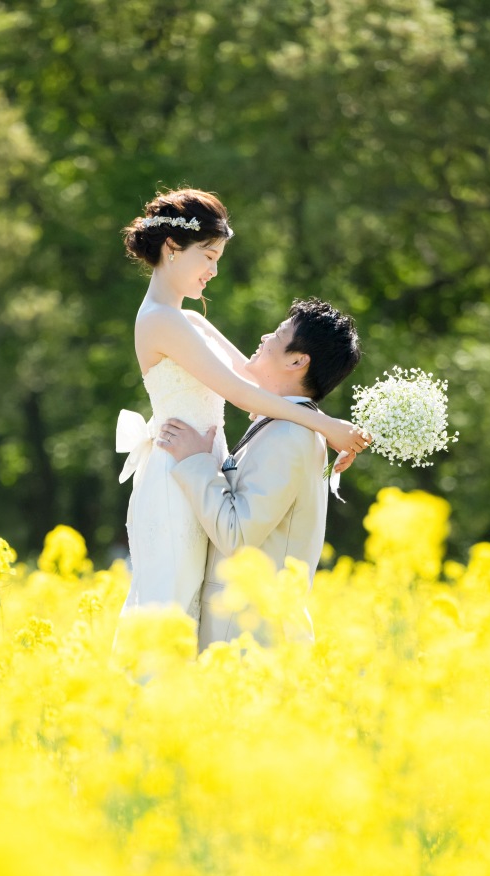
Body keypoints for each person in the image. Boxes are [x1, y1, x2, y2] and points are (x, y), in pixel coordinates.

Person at [117, 187, 370, 626]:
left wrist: (323, 420)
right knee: (171, 613)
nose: (214, 271)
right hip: (177, 475)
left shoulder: (189, 319)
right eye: (209, 256)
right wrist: (326, 425)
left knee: (191, 617)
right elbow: (240, 394)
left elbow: (255, 377)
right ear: (174, 248)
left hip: (200, 469)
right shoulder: (160, 319)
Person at [157, 298, 363, 650]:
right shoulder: (284, 427)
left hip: (248, 639)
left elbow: (238, 535)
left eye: (279, 334)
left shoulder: (289, 436)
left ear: (297, 360)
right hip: (246, 634)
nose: (266, 337)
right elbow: (198, 327)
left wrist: (195, 461)